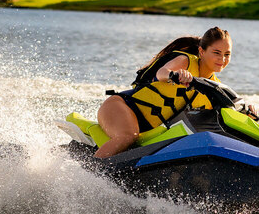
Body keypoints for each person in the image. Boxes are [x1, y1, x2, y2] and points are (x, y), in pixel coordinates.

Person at [95, 27, 235, 158]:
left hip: (148, 131)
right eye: (217, 53)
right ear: (202, 51)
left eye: (227, 54)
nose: (222, 59)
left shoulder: (214, 87)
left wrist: (246, 112)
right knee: (128, 136)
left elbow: (226, 112)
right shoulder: (185, 61)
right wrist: (174, 75)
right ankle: (87, 174)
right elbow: (161, 72)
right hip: (121, 107)